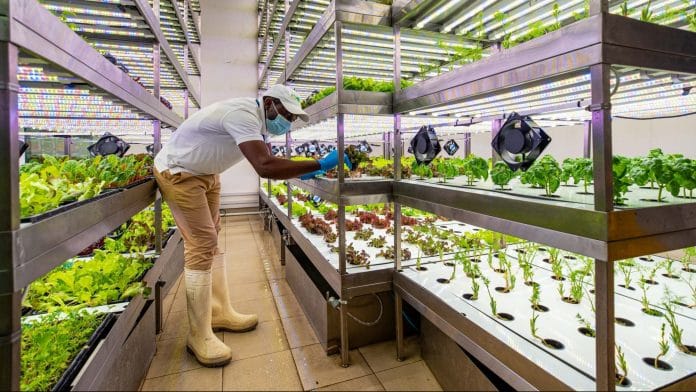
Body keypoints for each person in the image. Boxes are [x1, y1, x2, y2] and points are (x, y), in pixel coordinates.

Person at [153, 85, 349, 367]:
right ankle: (198, 336)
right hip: (179, 172)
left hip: (206, 173)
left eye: (293, 118)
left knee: (212, 242)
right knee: (202, 244)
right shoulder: (244, 114)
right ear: (269, 102)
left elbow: (268, 161)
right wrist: (318, 163)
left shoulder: (257, 121)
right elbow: (265, 166)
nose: (288, 122)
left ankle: (218, 312)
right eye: (286, 114)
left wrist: (313, 166)